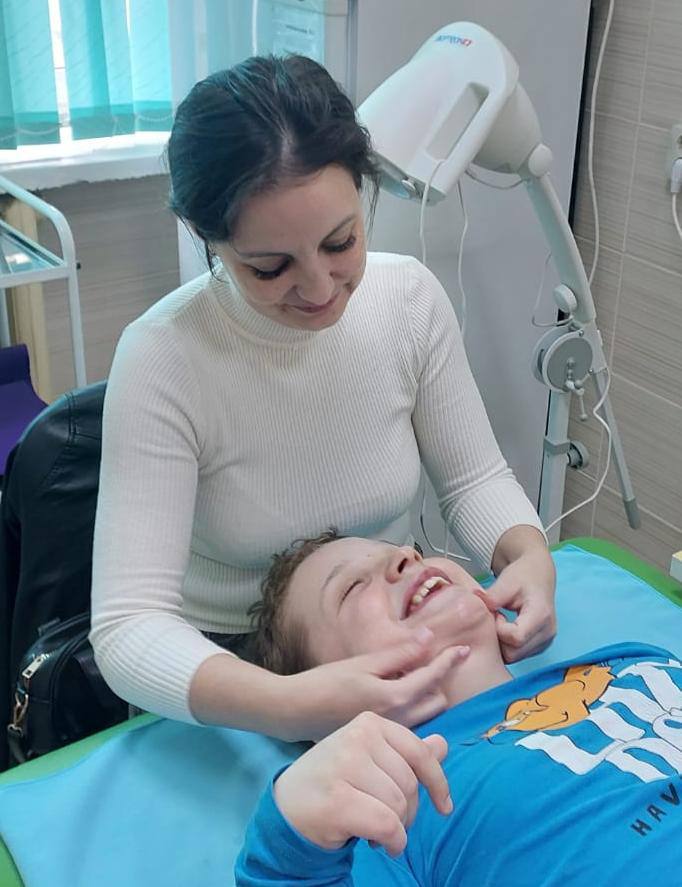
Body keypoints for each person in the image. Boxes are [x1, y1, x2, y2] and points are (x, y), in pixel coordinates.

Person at [90, 53, 556, 741]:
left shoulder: (407, 301)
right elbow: (129, 627)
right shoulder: (164, 358)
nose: (318, 288)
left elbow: (473, 479)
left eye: (340, 242)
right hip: (227, 674)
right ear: (207, 237)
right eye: (269, 267)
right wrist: (286, 703)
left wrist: (529, 555)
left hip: (393, 627)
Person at [235, 531, 682, 885]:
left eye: (409, 549)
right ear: (320, 702)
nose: (405, 558)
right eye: (352, 587)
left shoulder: (630, 658)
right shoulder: (398, 805)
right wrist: (287, 848)